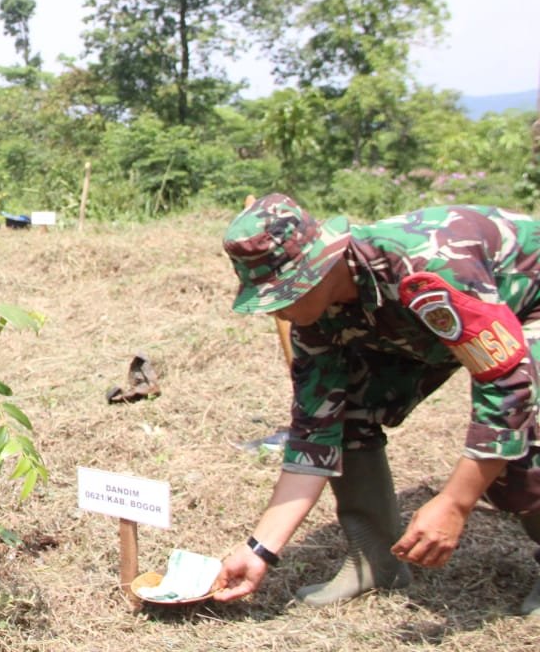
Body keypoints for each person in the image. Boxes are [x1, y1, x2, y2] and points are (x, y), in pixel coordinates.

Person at [213, 194, 540, 615]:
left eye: (284, 292)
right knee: (342, 409)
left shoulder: (427, 269)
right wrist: (259, 550)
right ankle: (374, 561)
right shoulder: (315, 322)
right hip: (428, 327)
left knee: (521, 434)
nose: (276, 308)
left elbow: (507, 385)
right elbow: (315, 435)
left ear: (322, 265)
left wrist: (455, 502)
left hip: (527, 301)